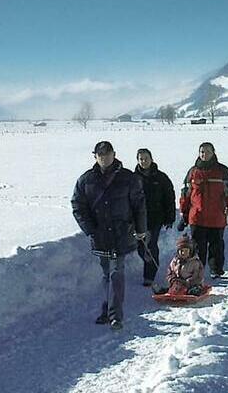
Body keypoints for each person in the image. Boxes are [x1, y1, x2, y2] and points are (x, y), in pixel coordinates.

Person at [71, 140, 146, 331]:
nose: (104, 157)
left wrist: (141, 228)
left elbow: (139, 205)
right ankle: (107, 310)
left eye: (107, 153)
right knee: (106, 274)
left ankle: (115, 315)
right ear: (95, 156)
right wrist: (90, 229)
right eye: (100, 154)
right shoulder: (86, 180)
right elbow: (78, 206)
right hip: (101, 235)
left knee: (116, 273)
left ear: (114, 154)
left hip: (122, 232)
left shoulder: (128, 178)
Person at [178, 142, 228, 278]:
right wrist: (184, 213)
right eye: (202, 152)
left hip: (216, 217)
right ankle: (197, 272)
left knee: (216, 246)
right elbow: (185, 193)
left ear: (213, 153)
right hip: (197, 217)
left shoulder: (222, 171)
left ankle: (216, 270)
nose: (205, 154)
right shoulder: (193, 172)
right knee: (198, 248)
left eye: (208, 152)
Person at [134, 148, 176, 287]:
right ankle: (151, 263)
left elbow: (169, 197)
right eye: (141, 158)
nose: (143, 161)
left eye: (146, 158)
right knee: (141, 247)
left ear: (151, 158)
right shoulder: (132, 178)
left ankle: (150, 275)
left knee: (150, 245)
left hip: (155, 218)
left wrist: (170, 217)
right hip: (137, 219)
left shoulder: (161, 177)